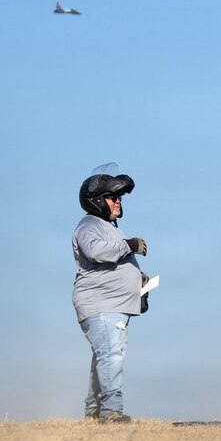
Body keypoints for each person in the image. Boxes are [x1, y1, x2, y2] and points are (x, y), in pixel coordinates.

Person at [71, 164, 149, 423]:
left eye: (119, 198)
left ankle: (93, 412)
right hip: (101, 304)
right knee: (111, 354)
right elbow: (96, 251)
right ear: (96, 201)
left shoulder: (110, 227)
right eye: (112, 197)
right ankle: (111, 412)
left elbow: (112, 264)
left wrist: (139, 287)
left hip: (112, 303)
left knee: (103, 356)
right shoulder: (89, 225)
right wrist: (129, 246)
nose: (118, 201)